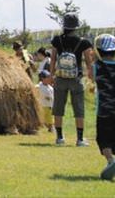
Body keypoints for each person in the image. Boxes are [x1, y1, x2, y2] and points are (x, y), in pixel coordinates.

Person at [50, 13, 93, 146]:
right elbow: (88, 61)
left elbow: (53, 59)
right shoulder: (83, 42)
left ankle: (60, 138)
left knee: (58, 108)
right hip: (76, 78)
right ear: (76, 26)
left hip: (60, 78)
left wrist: (52, 75)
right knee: (78, 108)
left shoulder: (57, 40)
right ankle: (80, 139)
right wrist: (90, 76)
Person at [93, 34, 115, 180]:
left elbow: (90, 76)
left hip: (104, 111)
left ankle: (111, 160)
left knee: (104, 139)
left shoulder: (97, 67)